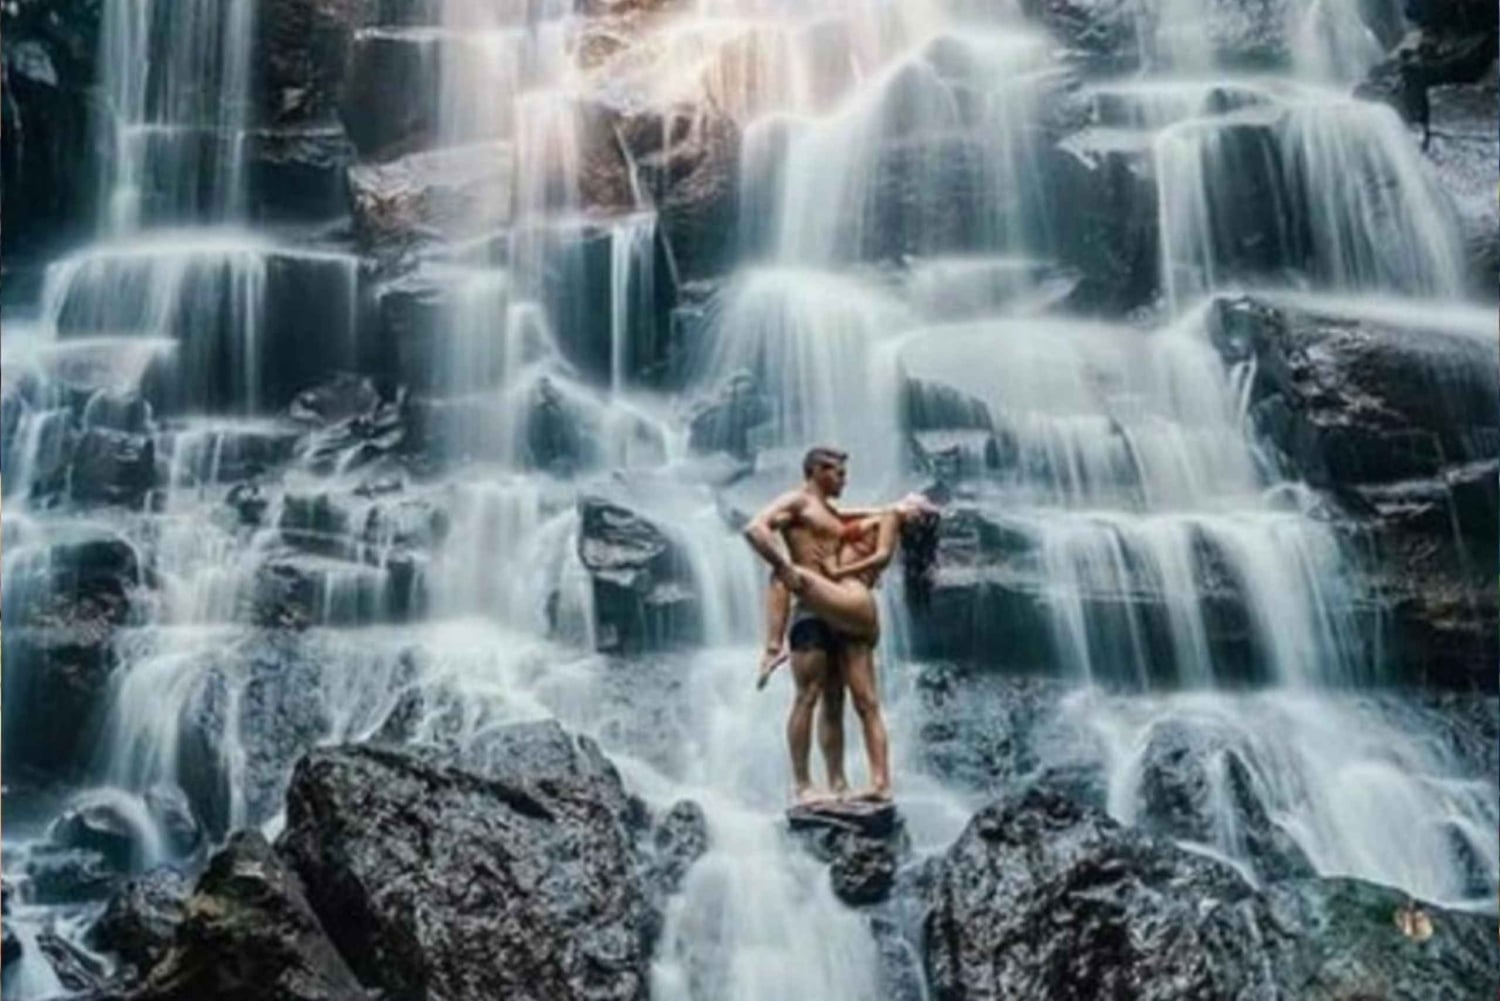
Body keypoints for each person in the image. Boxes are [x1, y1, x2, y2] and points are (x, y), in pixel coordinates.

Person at [742, 446, 939, 804]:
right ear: (817, 471)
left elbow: (868, 517)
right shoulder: (798, 502)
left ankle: (839, 786)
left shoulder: (831, 514)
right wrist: (783, 565)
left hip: (838, 602)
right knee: (808, 697)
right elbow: (755, 529)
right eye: (839, 474)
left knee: (837, 702)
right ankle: (803, 785)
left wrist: (901, 509)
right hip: (810, 607)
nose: (845, 481)